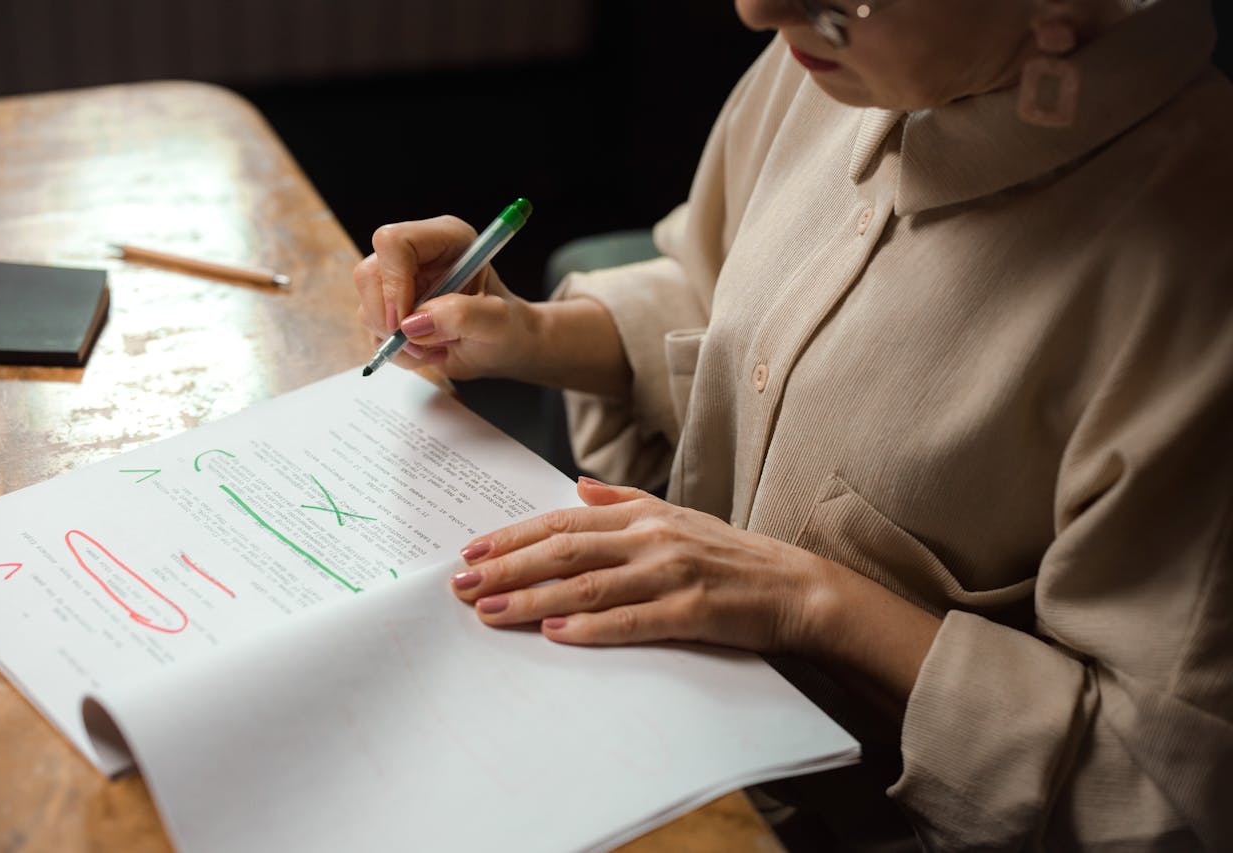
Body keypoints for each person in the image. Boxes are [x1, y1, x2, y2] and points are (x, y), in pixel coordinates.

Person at [353, 0, 1233, 848]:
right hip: (662, 717)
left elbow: (1162, 798)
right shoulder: (834, 60)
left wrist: (808, 602)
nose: (756, 12)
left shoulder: (1197, 267)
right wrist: (536, 334)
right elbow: (720, 294)